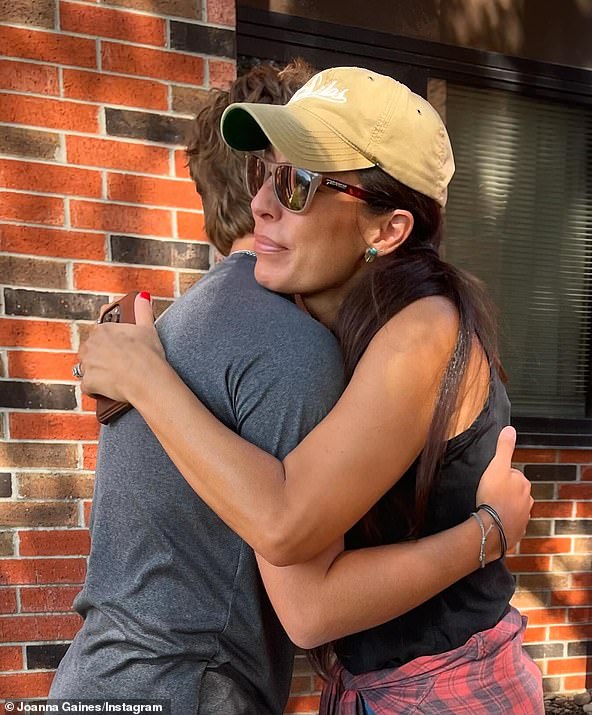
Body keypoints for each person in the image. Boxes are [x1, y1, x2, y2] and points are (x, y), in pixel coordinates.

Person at [75, 66, 539, 714]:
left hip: (449, 690)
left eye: (299, 183)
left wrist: (147, 378)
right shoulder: (316, 327)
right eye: (269, 172)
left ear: (387, 230)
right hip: (363, 688)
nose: (262, 202)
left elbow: (298, 564)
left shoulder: (423, 329)